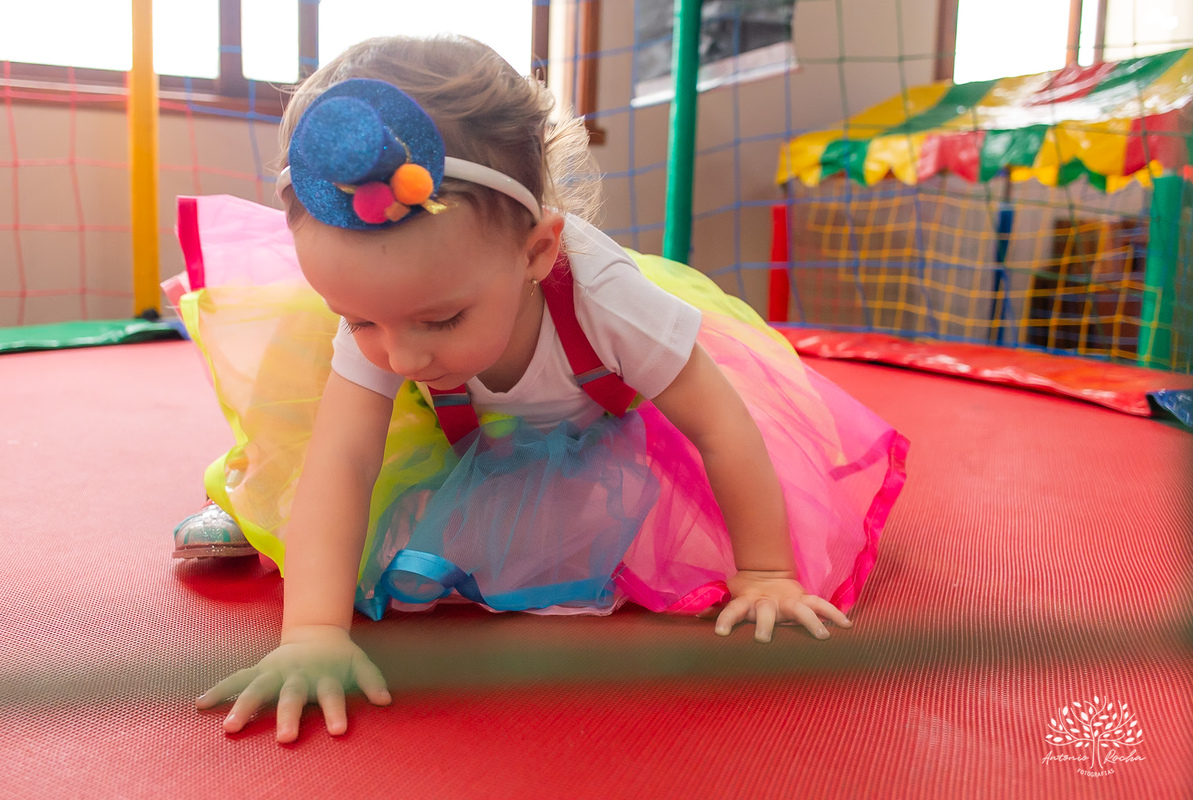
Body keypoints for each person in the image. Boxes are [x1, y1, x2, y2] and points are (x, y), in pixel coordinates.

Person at [173, 35, 908, 744]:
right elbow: (343, 462)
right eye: (360, 319)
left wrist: (767, 571)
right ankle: (246, 485)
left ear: (538, 250)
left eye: (441, 319)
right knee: (300, 409)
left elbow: (720, 423)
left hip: (595, 432)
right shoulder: (390, 311)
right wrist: (312, 632)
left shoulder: (607, 299)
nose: (398, 354)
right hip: (457, 431)